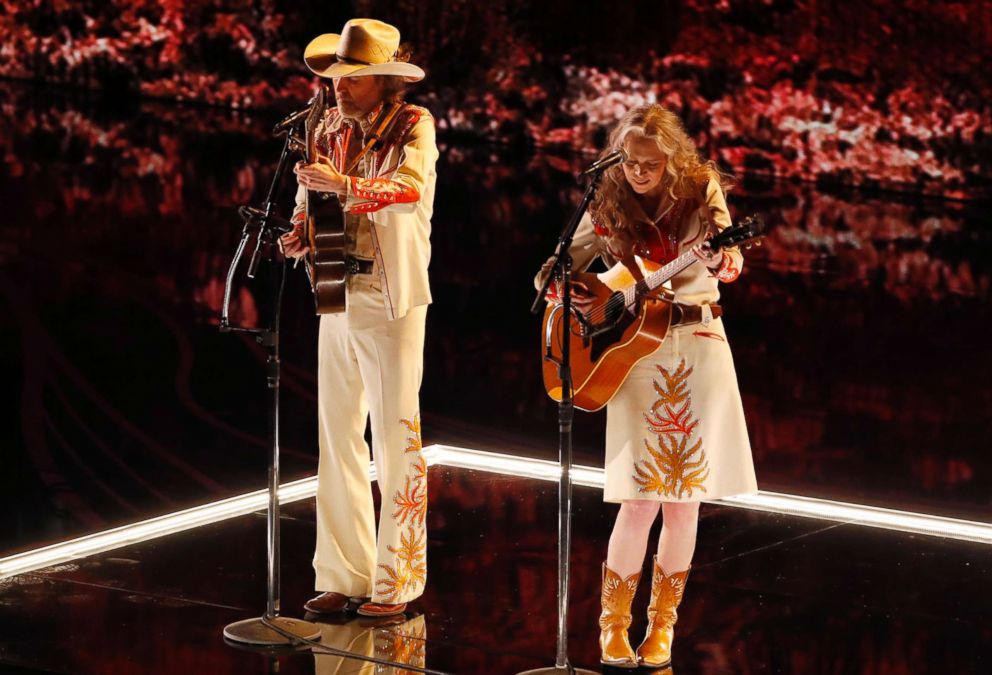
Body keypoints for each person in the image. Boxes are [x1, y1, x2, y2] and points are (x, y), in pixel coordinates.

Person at [536, 104, 758, 667]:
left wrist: (723, 259)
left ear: (671, 158)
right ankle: (612, 625)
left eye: (650, 164)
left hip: (698, 340)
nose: (639, 172)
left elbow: (727, 259)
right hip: (634, 347)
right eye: (631, 161)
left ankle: (663, 628)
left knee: (684, 503)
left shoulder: (699, 187)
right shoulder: (607, 190)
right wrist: (571, 290)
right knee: (638, 499)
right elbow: (561, 265)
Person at [280, 18, 438, 618]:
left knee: (397, 436)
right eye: (334, 76)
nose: (337, 87)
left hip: (390, 293)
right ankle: (344, 574)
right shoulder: (325, 125)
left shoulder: (413, 124)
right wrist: (299, 234)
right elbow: (309, 197)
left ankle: (397, 581)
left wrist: (343, 184)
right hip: (336, 286)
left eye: (351, 78)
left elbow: (407, 186)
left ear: (382, 80)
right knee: (337, 434)